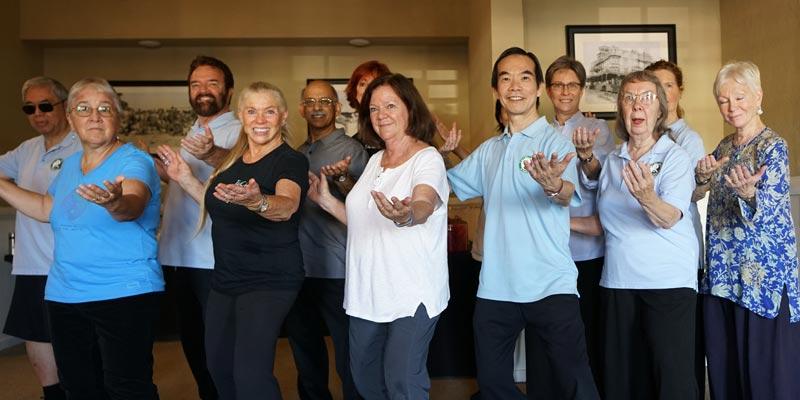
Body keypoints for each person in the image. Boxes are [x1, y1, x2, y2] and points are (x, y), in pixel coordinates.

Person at [447, 47, 599, 400]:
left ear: (538, 88)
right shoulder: (490, 150)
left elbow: (566, 193)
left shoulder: (556, 141)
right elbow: (448, 185)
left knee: (576, 382)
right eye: (505, 78)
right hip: (497, 286)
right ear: (496, 90)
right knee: (493, 383)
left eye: (525, 77)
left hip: (550, 283)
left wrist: (552, 185)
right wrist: (434, 156)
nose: (515, 85)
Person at [0, 77, 164, 399]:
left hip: (123, 292)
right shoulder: (72, 164)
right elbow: (48, 207)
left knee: (127, 387)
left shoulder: (135, 161)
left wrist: (115, 202)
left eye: (105, 108)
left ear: (118, 118)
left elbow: (132, 204)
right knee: (78, 386)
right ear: (71, 120)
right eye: (84, 109)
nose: (94, 116)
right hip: (65, 294)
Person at [158, 81, 309, 399]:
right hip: (226, 279)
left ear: (282, 117)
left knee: (250, 374)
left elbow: (287, 205)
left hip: (271, 280)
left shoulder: (289, 160)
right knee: (219, 368)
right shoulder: (232, 162)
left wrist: (257, 202)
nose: (260, 119)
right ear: (241, 116)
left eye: (269, 111)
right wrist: (183, 175)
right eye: (252, 111)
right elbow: (216, 203)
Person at [306, 73, 449, 399]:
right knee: (366, 382)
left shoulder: (427, 159)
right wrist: (326, 201)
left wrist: (408, 214)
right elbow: (362, 221)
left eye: (390, 105)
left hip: (411, 295)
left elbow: (424, 202)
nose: (381, 114)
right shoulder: (373, 162)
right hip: (366, 293)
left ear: (410, 109)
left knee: (402, 383)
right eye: (373, 108)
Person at [586, 70, 698, 399]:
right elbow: (602, 223)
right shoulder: (611, 162)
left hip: (667, 285)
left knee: (671, 381)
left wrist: (647, 197)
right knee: (622, 381)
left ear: (660, 110)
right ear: (621, 108)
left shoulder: (675, 158)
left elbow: (669, 218)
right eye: (629, 97)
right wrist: (553, 220)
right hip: (618, 284)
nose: (638, 105)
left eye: (647, 98)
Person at [696, 61, 799, 400]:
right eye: (723, 100)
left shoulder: (773, 146)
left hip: (762, 279)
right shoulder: (724, 147)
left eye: (739, 98)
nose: (731, 107)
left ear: (758, 97)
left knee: (765, 376)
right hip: (725, 275)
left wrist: (750, 194)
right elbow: (696, 195)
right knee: (727, 372)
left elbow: (770, 210)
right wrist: (701, 178)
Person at [525, 56, 615, 398]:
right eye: (558, 85)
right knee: (544, 334)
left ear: (582, 90)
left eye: (572, 85)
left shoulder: (599, 130)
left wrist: (586, 156)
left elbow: (600, 179)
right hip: (544, 253)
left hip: (585, 250)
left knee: (585, 334)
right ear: (547, 90)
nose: (565, 91)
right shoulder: (537, 131)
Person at [156, 55, 240, 400]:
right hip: (178, 256)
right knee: (192, 342)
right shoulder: (192, 131)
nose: (202, 90)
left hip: (213, 258)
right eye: (195, 84)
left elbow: (234, 172)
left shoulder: (239, 131)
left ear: (229, 91)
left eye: (212, 83)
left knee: (221, 348)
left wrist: (211, 154)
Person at [284, 80, 368, 400]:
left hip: (339, 270)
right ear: (302, 109)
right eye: (310, 101)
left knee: (349, 355)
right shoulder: (294, 155)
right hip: (299, 270)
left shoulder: (351, 151)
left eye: (325, 100)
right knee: (306, 355)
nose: (317, 106)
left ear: (337, 107)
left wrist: (342, 179)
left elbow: (363, 206)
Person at [0, 77, 81, 400]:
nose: (38, 113)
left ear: (64, 107)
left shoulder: (82, 145)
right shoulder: (26, 150)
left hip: (72, 262)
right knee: (35, 334)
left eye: (46, 105)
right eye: (30, 108)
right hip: (32, 263)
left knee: (75, 337)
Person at [645, 59, 707, 400]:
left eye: (668, 85)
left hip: (680, 252)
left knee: (682, 350)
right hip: (647, 253)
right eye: (655, 85)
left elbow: (693, 192)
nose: (662, 92)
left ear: (678, 91)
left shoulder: (688, 139)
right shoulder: (641, 135)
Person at [344, 60, 391, 156]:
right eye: (362, 84)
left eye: (374, 83)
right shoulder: (354, 143)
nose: (367, 89)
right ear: (355, 92)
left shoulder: (395, 131)